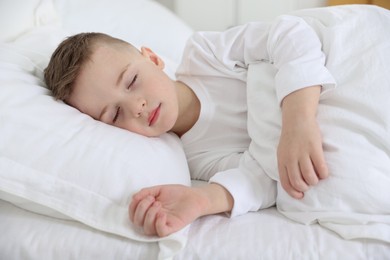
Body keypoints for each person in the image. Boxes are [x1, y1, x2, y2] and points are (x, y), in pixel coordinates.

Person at [44, 14, 336, 237]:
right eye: (115, 115)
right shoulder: (193, 158)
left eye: (132, 81)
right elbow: (263, 178)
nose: (136, 107)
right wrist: (201, 201)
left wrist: (297, 120)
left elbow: (288, 32)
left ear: (153, 58)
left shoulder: (204, 55)